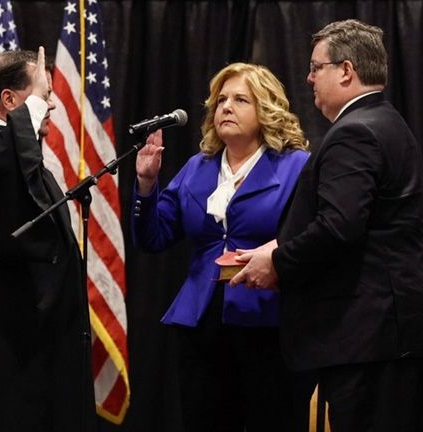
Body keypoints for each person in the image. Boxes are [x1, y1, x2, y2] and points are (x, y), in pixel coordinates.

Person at [231, 20, 423, 432]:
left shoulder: (354, 133)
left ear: (346, 71)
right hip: (386, 334)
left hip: (369, 336)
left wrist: (277, 260)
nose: (309, 77)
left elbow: (339, 227)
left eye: (317, 67)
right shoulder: (385, 121)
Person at [131, 63, 312, 432]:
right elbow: (153, 238)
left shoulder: (296, 166)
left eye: (240, 100)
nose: (225, 107)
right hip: (200, 325)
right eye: (221, 100)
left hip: (268, 322)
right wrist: (146, 185)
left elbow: (311, 237)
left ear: (266, 110)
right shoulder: (198, 167)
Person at [0, 47, 96, 431]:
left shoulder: (13, 156)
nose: (53, 105)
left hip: (36, 361)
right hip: (3, 368)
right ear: (9, 99)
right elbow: (4, 230)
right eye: (44, 94)